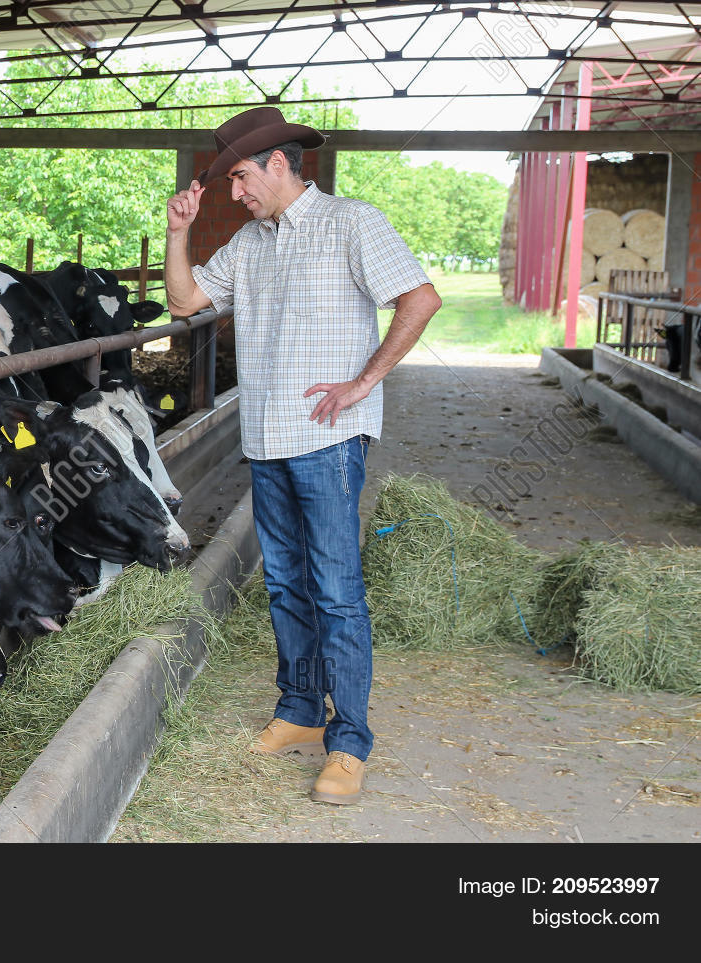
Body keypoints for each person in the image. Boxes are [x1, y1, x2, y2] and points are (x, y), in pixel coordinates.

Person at [163, 106, 441, 805]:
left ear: (279, 163)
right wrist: (178, 232)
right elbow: (186, 299)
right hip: (266, 438)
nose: (234, 192)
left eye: (240, 177)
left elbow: (421, 298)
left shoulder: (353, 221)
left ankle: (349, 742)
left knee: (337, 591)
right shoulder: (251, 242)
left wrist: (364, 380)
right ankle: (298, 709)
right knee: (286, 583)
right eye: (229, 180)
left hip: (327, 439)